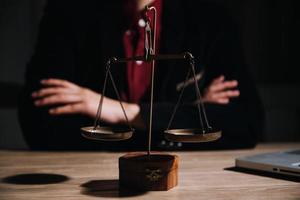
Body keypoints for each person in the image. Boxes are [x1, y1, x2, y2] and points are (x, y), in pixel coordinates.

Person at [18, 0, 264, 150]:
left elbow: (245, 124)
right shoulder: (69, 14)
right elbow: (40, 126)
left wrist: (122, 112)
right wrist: (189, 112)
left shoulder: (209, 19)